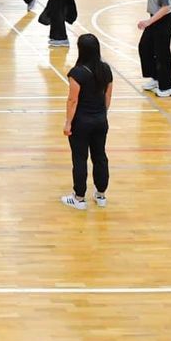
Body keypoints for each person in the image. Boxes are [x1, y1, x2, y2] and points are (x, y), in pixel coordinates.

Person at [61, 33, 112, 210]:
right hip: (100, 120)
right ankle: (101, 195)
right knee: (100, 156)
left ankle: (79, 198)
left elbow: (73, 100)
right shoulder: (106, 69)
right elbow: (107, 97)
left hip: (81, 122)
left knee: (80, 158)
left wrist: (68, 123)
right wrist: (101, 114)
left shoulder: (77, 73)